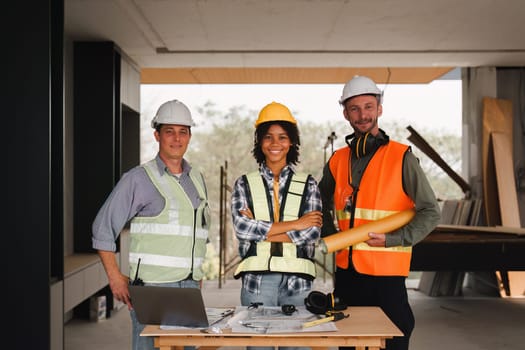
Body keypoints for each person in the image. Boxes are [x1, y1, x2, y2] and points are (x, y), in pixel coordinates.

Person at [318, 76, 441, 350]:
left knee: (393, 338)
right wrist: (331, 236)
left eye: (368, 107)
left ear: (379, 109)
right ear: (345, 113)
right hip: (347, 273)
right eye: (355, 108)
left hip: (386, 275)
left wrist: (393, 239)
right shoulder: (337, 160)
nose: (362, 115)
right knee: (348, 339)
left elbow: (430, 211)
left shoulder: (402, 157)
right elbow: (318, 202)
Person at [92, 99, 210, 350]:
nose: (176, 139)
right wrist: (114, 276)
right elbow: (103, 228)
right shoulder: (137, 179)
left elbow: (198, 234)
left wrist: (197, 277)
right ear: (157, 135)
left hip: (189, 288)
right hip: (153, 289)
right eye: (169, 131)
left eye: (183, 132)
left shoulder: (197, 179)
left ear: (189, 136)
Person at [231, 102, 323, 350]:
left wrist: (262, 232)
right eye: (268, 137)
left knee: (296, 347)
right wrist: (296, 224)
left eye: (282, 137)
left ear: (291, 142)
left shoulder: (308, 184)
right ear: (260, 141)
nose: (275, 143)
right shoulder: (244, 184)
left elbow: (312, 233)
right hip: (257, 282)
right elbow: (242, 228)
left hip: (298, 280)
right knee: (259, 346)